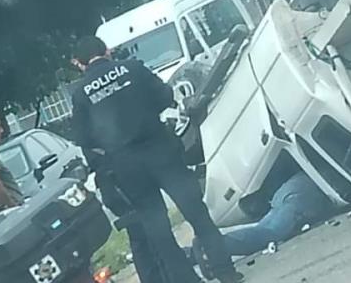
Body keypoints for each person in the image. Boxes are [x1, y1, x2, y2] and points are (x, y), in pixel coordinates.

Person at [68, 35, 242, 283]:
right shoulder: (133, 68)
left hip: (127, 166)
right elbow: (165, 97)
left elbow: (84, 138)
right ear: (106, 51)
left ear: (82, 63)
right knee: (196, 212)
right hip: (161, 151)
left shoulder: (81, 94)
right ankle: (225, 272)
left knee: (158, 229)